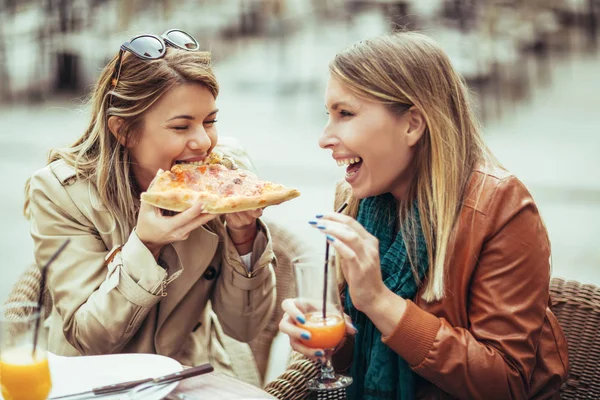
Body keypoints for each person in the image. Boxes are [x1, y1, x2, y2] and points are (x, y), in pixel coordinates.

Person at [279, 31, 568, 399]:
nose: (324, 138)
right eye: (328, 115)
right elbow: (363, 355)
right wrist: (333, 340)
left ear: (413, 124)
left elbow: (506, 383)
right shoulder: (355, 198)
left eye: (345, 114)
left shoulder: (501, 208)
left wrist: (380, 302)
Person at [23, 29, 276, 377]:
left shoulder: (226, 173)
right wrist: (146, 245)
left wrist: (245, 237)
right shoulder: (59, 193)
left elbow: (244, 329)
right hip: (93, 382)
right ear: (123, 130)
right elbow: (90, 339)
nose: (203, 142)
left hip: (190, 373)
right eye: (180, 127)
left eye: (210, 121)